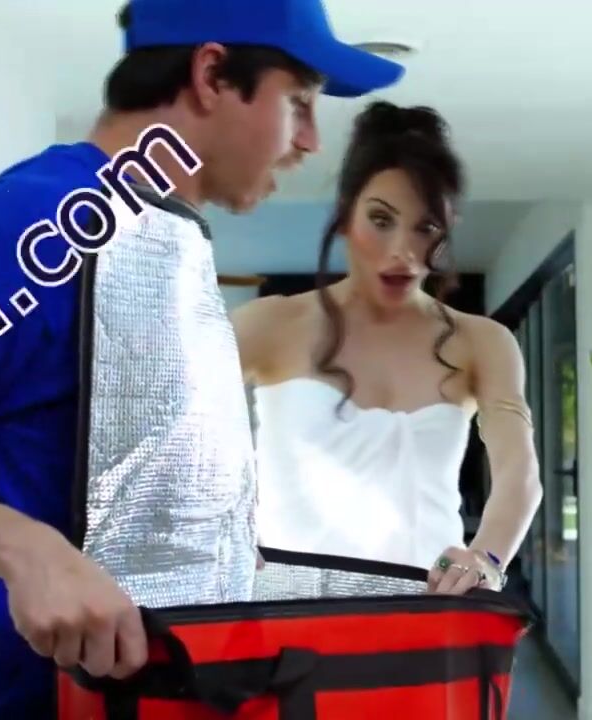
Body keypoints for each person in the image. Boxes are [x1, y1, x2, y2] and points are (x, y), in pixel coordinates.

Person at [0, 1, 404, 718]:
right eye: (297, 102)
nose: (311, 141)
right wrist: (25, 550)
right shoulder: (38, 225)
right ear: (212, 75)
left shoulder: (165, 247)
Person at [232, 101, 542, 594]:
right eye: (381, 220)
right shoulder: (270, 325)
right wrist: (218, 531)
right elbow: (174, 439)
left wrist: (486, 558)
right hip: (289, 611)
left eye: (425, 227)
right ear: (345, 215)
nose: (402, 250)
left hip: (428, 609)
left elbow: (518, 471)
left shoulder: (481, 341)